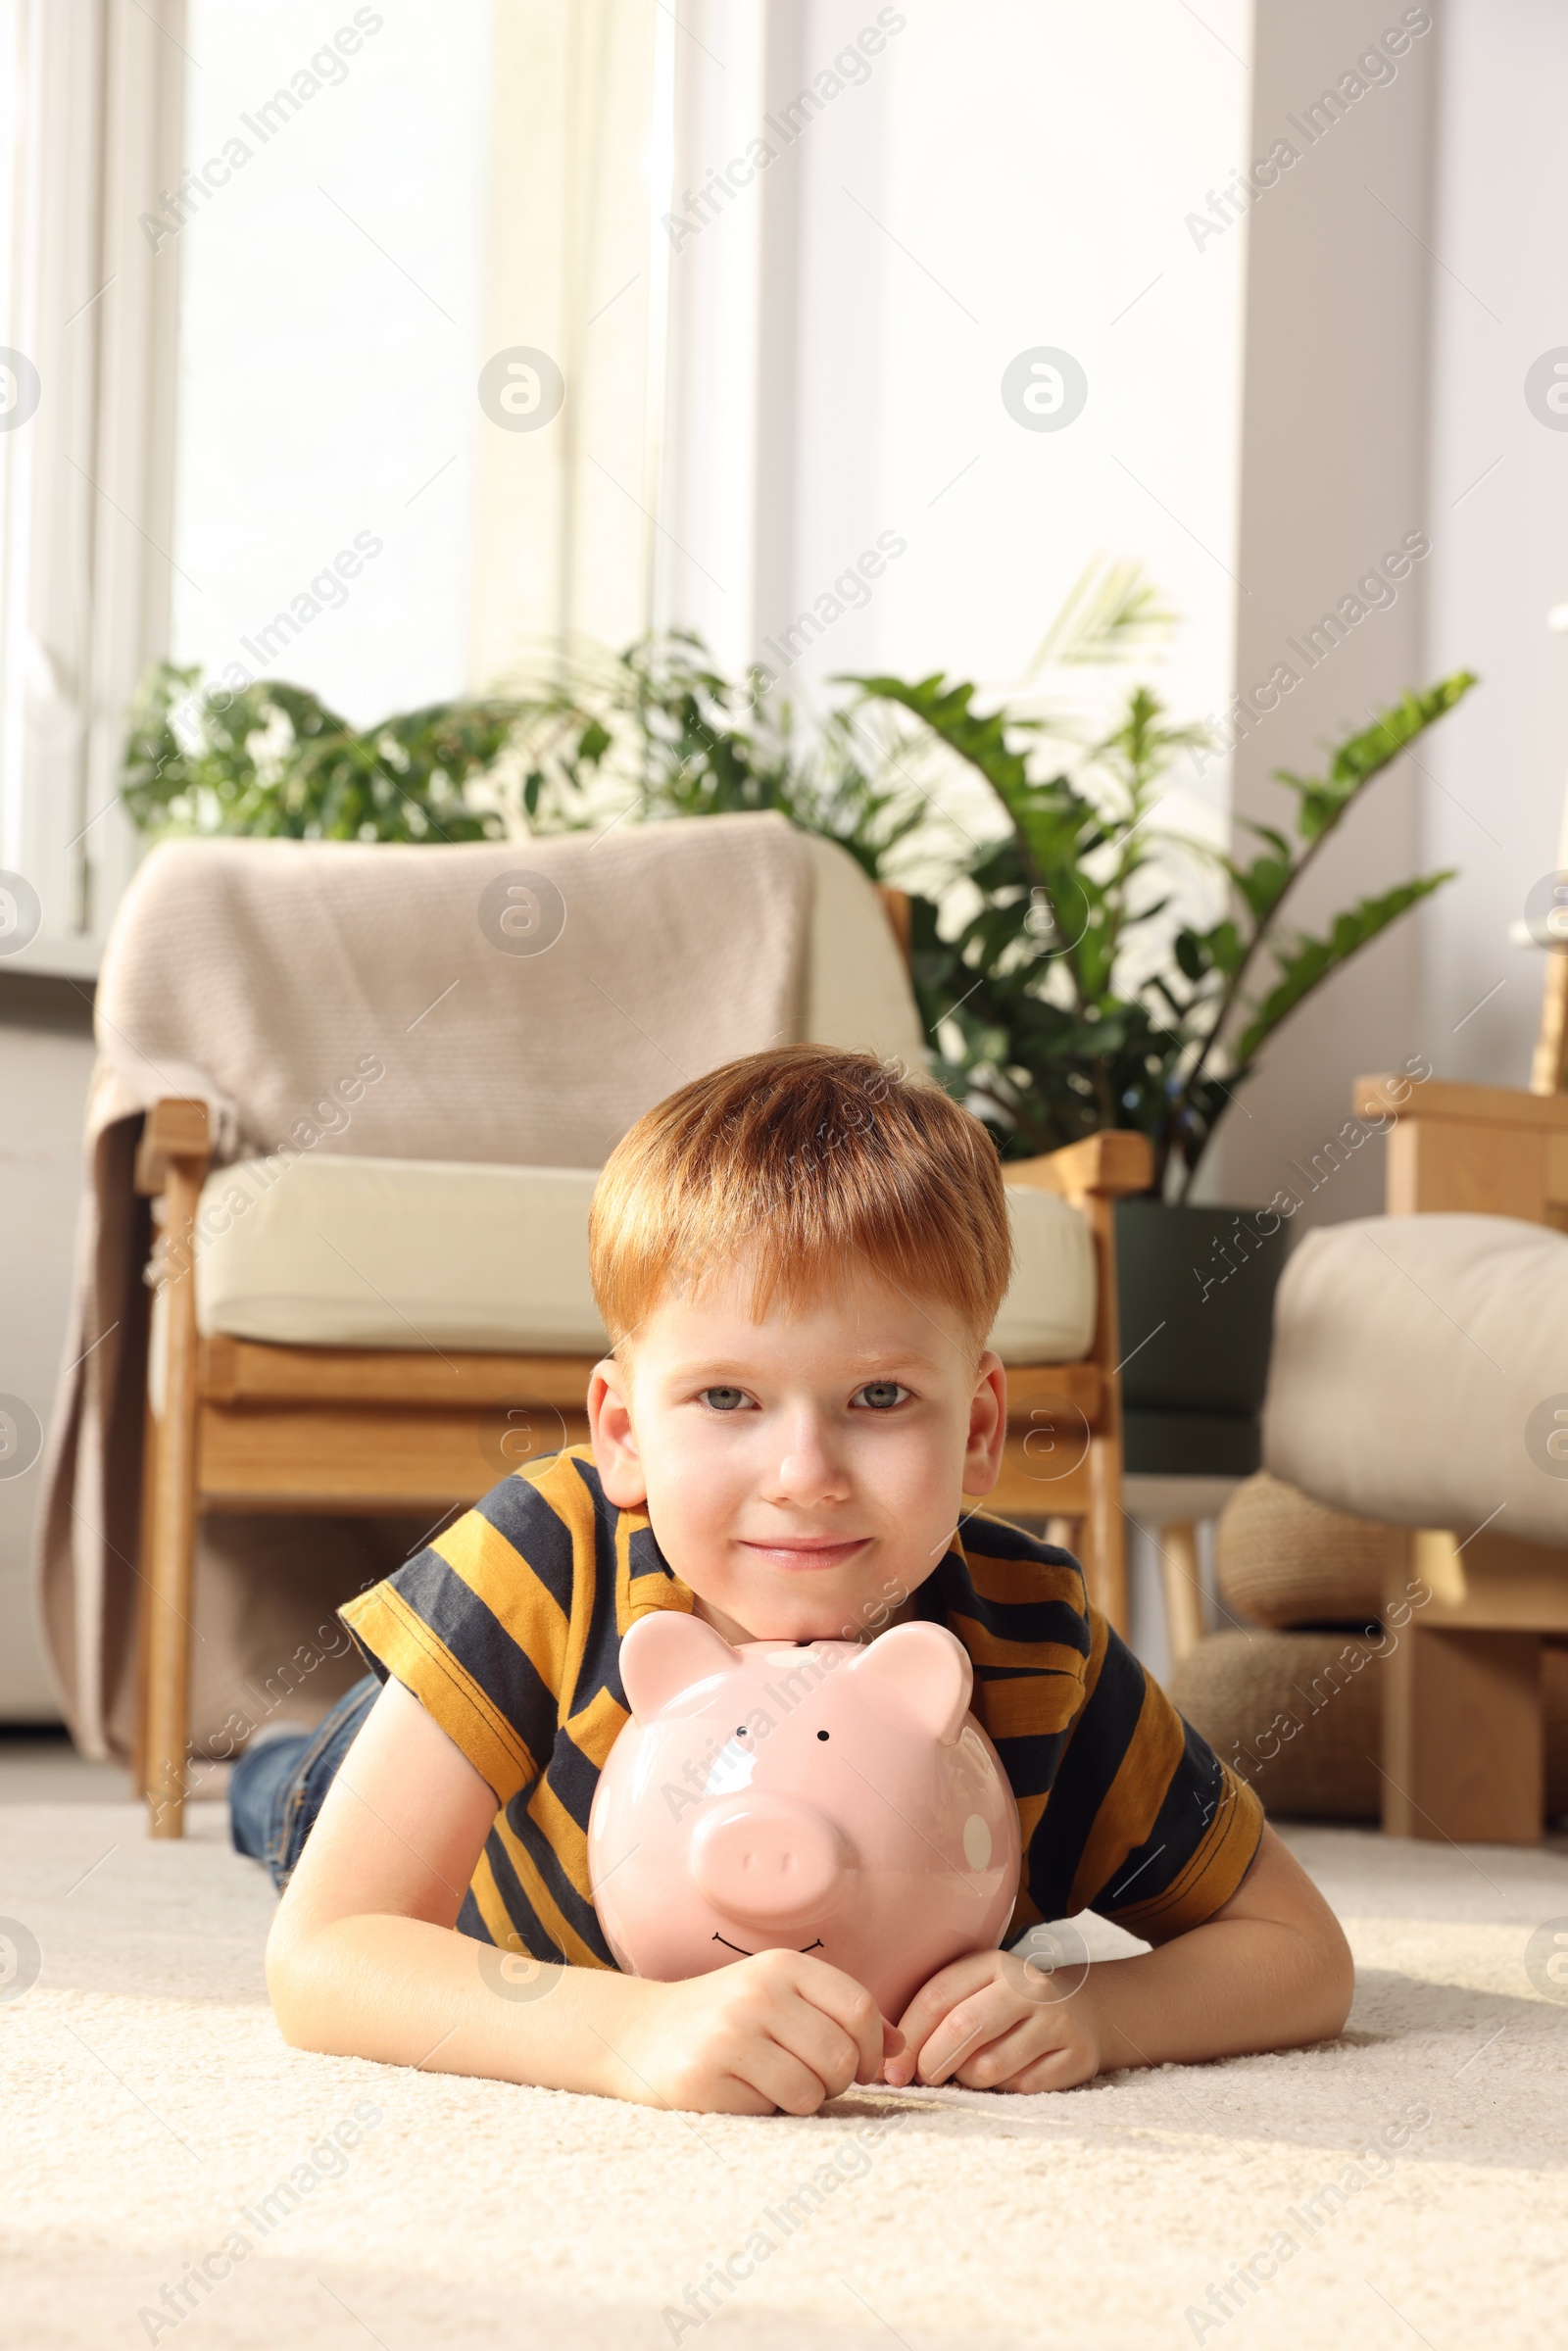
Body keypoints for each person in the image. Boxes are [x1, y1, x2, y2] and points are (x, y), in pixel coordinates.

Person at [241, 1044, 1352, 2114]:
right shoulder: (548, 1555)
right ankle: (266, 1766)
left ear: (978, 1428)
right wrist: (627, 2032)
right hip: (437, 1790)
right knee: (291, 1794)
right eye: (727, 1398)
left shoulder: (1037, 1640)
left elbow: (1300, 1951)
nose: (803, 1475)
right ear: (623, 1432)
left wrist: (1101, 2009)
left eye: (877, 1397)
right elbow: (330, 1952)